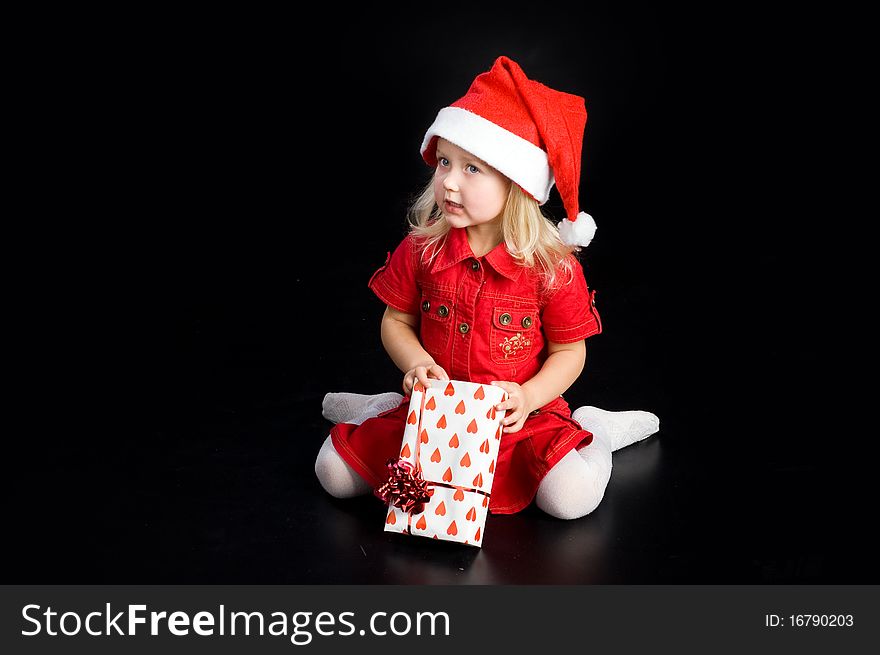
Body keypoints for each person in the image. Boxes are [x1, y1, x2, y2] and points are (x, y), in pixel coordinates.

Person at [315, 56, 659, 520]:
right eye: (443, 162)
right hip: (436, 414)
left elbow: (569, 353)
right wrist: (416, 364)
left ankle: (592, 429)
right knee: (333, 475)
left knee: (570, 501)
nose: (449, 182)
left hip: (520, 420)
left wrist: (530, 397)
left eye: (472, 169)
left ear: (516, 184)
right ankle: (384, 409)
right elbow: (396, 321)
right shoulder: (423, 250)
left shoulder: (550, 269)